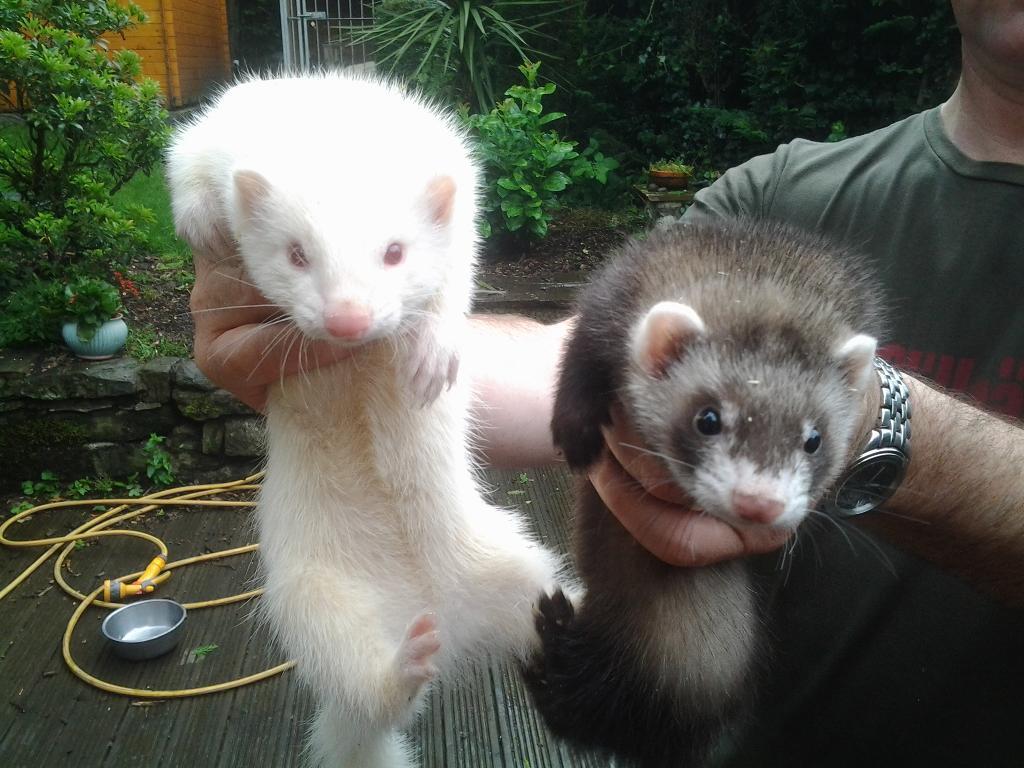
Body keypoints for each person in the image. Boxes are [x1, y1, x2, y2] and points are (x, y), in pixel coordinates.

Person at [187, 1, 1024, 763]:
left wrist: (887, 437)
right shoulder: (784, 194)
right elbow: (596, 349)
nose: (765, 498)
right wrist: (368, 345)